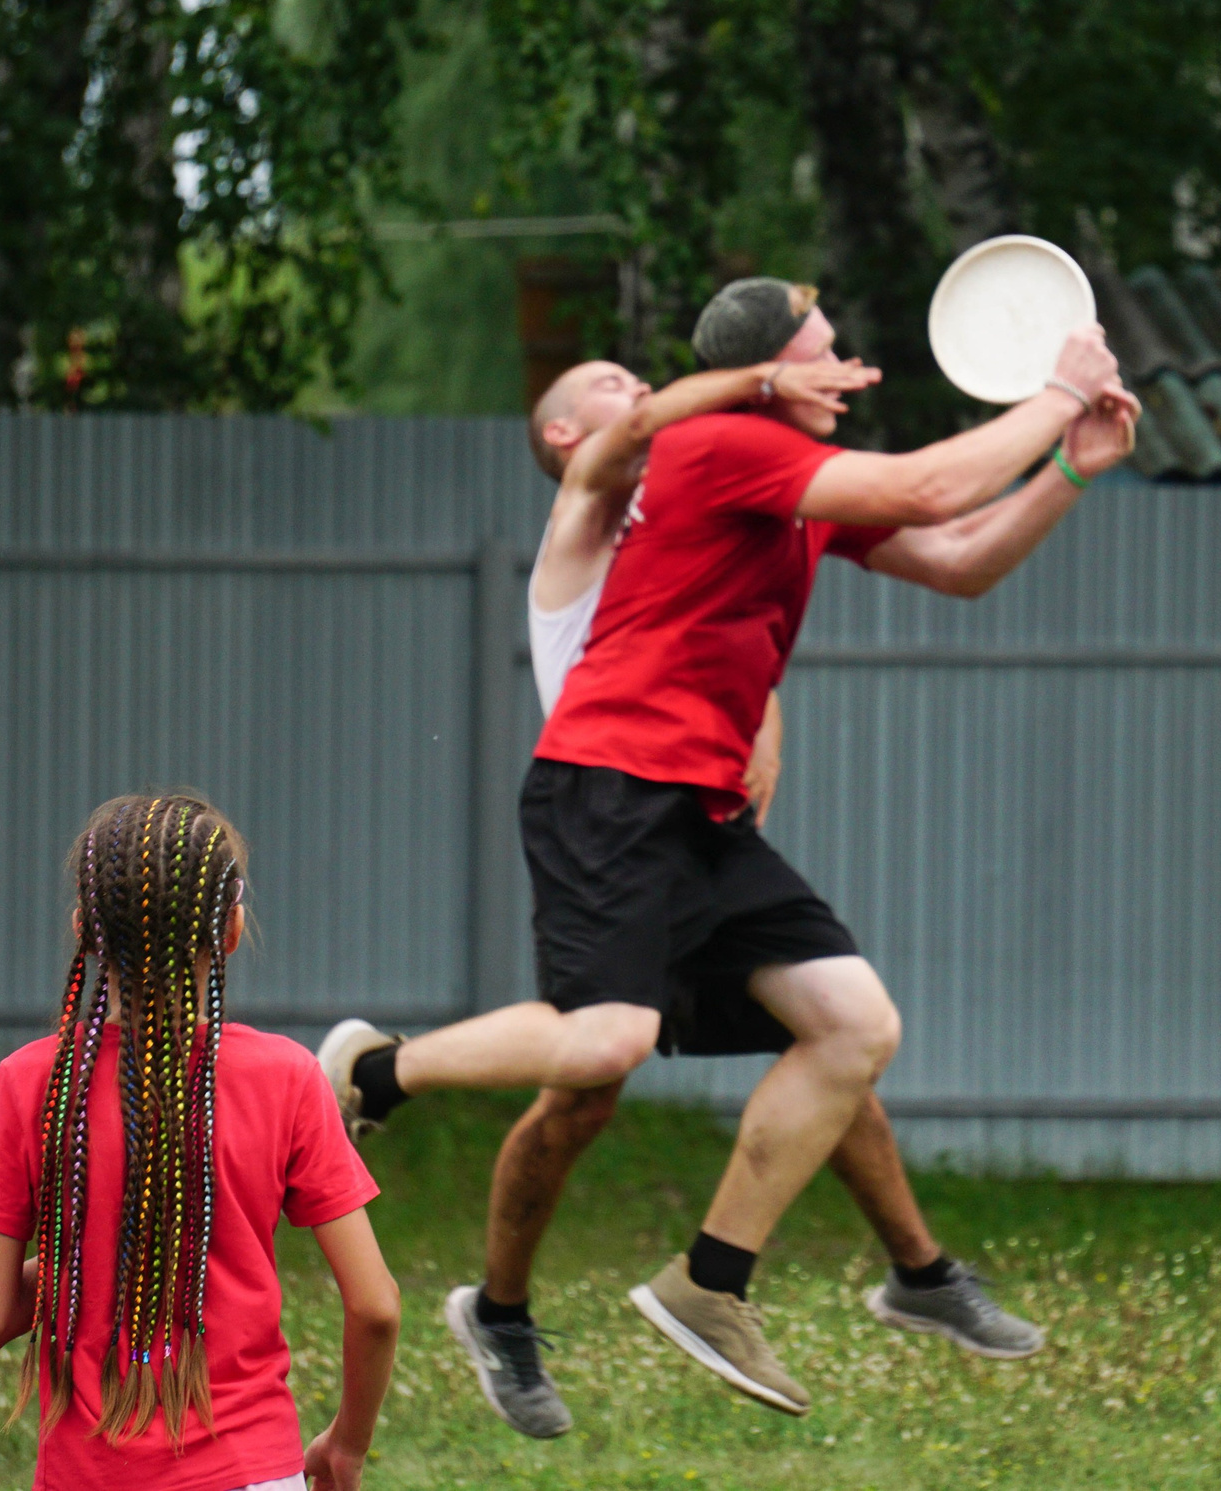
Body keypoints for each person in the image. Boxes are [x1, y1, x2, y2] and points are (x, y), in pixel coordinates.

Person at [340, 275, 1138, 1418]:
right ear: (775, 368)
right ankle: (380, 1077)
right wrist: (1058, 390)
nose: (843, 368)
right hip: (610, 791)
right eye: (825, 351)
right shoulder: (696, 447)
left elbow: (956, 552)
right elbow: (924, 480)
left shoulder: (778, 477)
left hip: (703, 812)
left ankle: (724, 1283)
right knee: (596, 1059)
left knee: (850, 1031)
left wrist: (1069, 468)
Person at [0, 795, 401, 1491]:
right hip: (251, 1471)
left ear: (84, 932)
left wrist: (88, 1252)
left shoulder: (27, 1084)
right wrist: (346, 1443)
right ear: (233, 928)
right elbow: (375, 1305)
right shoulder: (288, 1078)